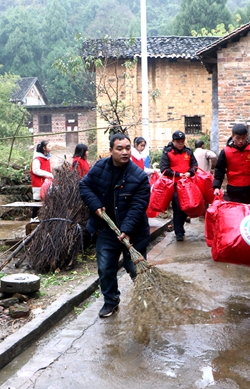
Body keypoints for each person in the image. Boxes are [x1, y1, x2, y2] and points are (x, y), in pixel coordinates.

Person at [79, 134, 150, 318]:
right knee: (105, 268)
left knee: (136, 269)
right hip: (106, 230)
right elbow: (84, 186)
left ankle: (144, 301)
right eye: (120, 148)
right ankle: (111, 301)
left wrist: (126, 230)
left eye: (127, 148)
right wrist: (95, 205)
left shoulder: (139, 176)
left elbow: (138, 206)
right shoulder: (100, 168)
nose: (125, 152)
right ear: (111, 150)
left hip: (133, 232)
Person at [160, 130, 198, 241]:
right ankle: (179, 232)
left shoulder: (188, 152)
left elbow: (195, 165)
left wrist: (190, 172)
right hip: (174, 186)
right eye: (178, 141)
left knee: (187, 207)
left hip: (187, 185)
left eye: (182, 141)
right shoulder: (168, 152)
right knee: (178, 208)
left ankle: (180, 227)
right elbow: (164, 169)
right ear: (173, 141)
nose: (180, 144)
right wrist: (177, 174)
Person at [212, 124, 250, 204]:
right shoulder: (226, 151)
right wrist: (216, 187)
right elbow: (219, 169)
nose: (241, 141)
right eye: (238, 138)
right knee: (236, 214)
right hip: (234, 190)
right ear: (232, 137)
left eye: (243, 138)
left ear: (247, 136)